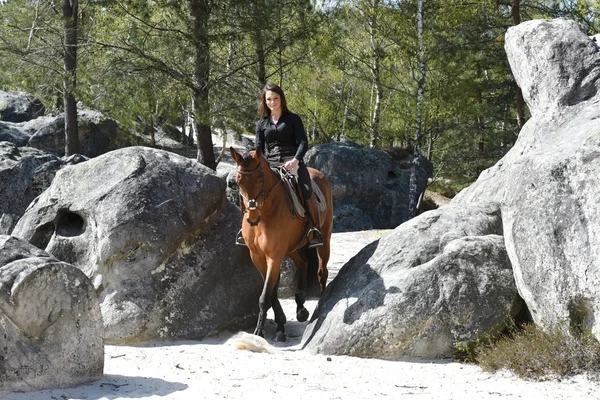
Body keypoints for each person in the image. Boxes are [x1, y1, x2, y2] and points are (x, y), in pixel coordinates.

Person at [236, 83, 323, 248]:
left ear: (281, 99)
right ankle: (244, 228)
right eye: (269, 99)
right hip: (270, 164)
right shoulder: (261, 124)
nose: (272, 102)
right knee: (246, 188)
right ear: (265, 101)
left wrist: (296, 160)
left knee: (306, 189)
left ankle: (314, 229)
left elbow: (303, 143)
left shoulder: (293, 119)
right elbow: (259, 148)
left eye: (275, 98)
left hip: (293, 161)